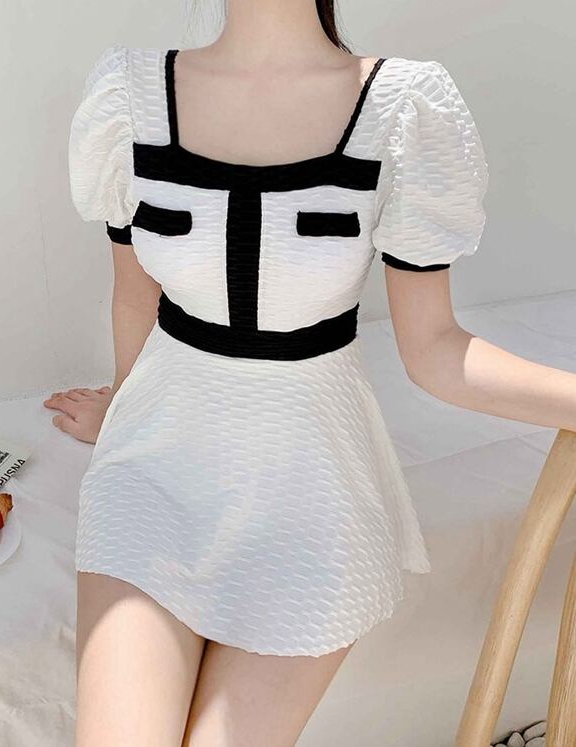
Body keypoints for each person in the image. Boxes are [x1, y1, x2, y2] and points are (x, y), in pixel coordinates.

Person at [46, 1, 576, 744]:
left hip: (311, 487)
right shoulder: (130, 96)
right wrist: (125, 406)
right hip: (152, 474)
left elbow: (435, 348)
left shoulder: (401, 107)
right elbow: (136, 296)